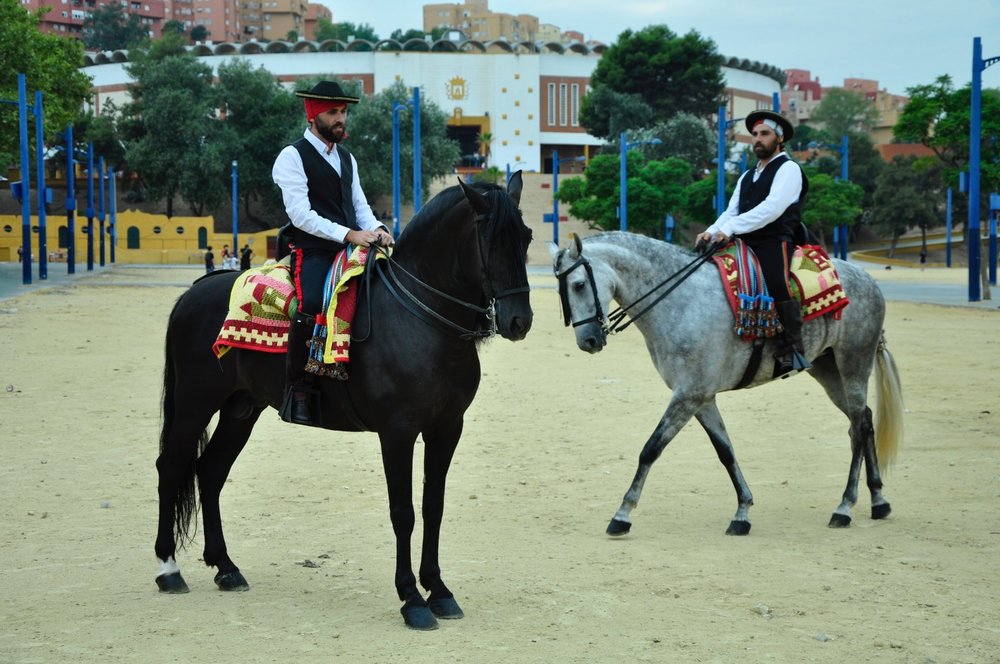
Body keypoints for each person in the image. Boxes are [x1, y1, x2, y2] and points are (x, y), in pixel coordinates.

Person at [271, 80, 393, 426]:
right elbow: (300, 214)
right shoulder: (292, 156)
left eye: (343, 112)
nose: (341, 119)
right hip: (313, 249)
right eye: (333, 113)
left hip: (353, 243)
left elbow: (359, 205)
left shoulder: (346, 158)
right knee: (311, 303)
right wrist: (350, 234)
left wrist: (378, 229)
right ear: (313, 116)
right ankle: (297, 389)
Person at [696, 110, 811, 379]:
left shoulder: (789, 168)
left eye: (764, 134)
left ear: (779, 139)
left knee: (775, 279)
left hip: (774, 239)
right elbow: (731, 211)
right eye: (755, 135)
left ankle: (792, 349)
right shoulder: (748, 175)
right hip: (743, 239)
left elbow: (771, 209)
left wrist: (731, 229)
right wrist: (712, 232)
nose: (757, 140)